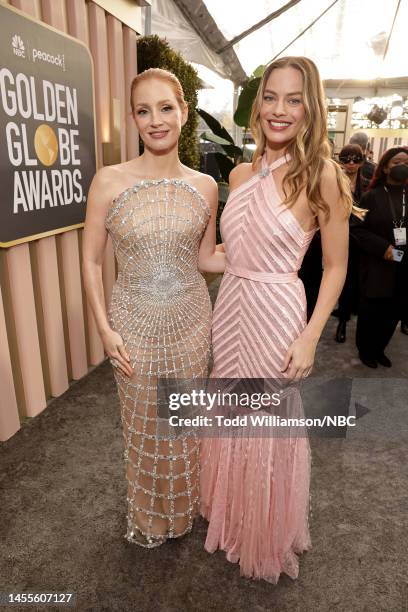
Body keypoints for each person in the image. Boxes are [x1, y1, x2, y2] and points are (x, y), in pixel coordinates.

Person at [200, 56, 351, 583]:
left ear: (310, 108)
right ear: (257, 104)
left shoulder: (323, 175)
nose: (279, 110)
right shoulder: (240, 173)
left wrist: (310, 338)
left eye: (293, 99)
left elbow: (335, 268)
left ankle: (263, 533)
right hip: (232, 307)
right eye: (270, 97)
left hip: (276, 312)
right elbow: (226, 257)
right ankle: (234, 518)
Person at [82, 68, 225, 547]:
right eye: (144, 111)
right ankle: (148, 514)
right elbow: (89, 261)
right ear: (133, 119)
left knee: (182, 424)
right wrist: (105, 330)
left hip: (190, 321)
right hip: (133, 325)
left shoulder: (205, 185)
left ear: (184, 112)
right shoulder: (109, 181)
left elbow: (206, 257)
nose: (156, 120)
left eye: (165, 108)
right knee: (143, 423)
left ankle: (181, 509)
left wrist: (266, 255)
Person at [351, 146, 408, 368]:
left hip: (404, 266)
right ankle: (366, 350)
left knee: (394, 311)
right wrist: (383, 248)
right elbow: (355, 228)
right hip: (378, 264)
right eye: (396, 163)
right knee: (371, 312)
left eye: (406, 162)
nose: (402, 166)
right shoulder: (370, 197)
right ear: (384, 168)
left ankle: (379, 349)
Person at [334, 144, 369, 342]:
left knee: (353, 278)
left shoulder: (367, 184)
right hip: (335, 237)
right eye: (346, 159)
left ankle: (344, 317)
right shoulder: (332, 182)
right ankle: (342, 315)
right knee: (337, 276)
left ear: (362, 161)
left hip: (358, 240)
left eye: (356, 159)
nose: (351, 164)